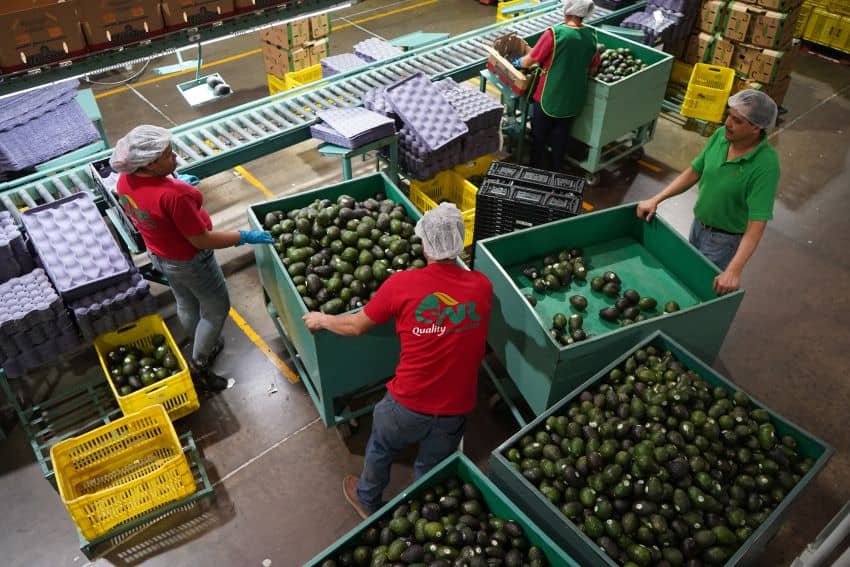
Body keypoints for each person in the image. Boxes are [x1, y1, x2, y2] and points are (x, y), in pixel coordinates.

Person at [302, 203, 493, 519]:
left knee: (381, 447)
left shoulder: (401, 284)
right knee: (432, 468)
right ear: (459, 242)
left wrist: (322, 319)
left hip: (407, 404)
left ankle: (367, 498)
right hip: (456, 408)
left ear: (425, 245)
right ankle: (422, 514)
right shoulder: (482, 286)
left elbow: (355, 326)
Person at [110, 125, 273, 391]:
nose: (175, 157)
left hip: (160, 255)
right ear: (149, 164)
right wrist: (244, 236)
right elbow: (202, 240)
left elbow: (151, 203)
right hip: (191, 262)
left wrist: (174, 183)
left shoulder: (124, 181)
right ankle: (199, 366)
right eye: (168, 155)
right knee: (216, 309)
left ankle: (203, 340)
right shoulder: (173, 196)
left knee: (185, 301)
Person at [636, 89, 780, 295]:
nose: (727, 123)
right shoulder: (722, 136)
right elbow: (695, 171)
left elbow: (757, 224)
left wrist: (734, 270)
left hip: (724, 240)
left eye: (737, 120)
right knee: (688, 276)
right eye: (729, 115)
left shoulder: (765, 165)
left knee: (702, 288)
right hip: (698, 225)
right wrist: (656, 199)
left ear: (756, 127)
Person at [514, 0, 599, 171]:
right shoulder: (591, 36)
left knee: (539, 136)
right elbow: (593, 69)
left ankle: (535, 169)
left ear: (567, 9)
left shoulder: (555, 34)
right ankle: (556, 170)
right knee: (561, 136)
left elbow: (530, 61)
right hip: (573, 97)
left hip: (549, 95)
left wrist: (516, 63)